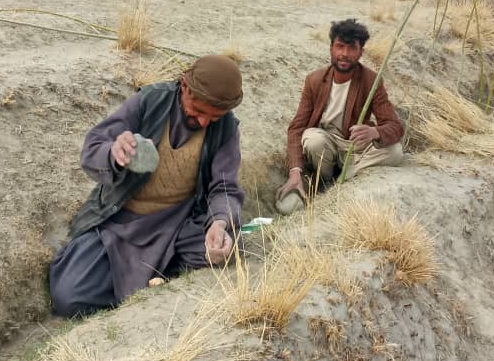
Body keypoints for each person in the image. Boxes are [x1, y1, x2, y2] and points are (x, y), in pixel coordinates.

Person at [49, 55, 245, 317]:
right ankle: (148, 277)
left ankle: (148, 278)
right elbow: (94, 147)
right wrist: (114, 153)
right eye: (199, 111)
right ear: (185, 87)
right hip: (120, 223)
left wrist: (219, 223)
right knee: (67, 296)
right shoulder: (150, 101)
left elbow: (225, 188)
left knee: (227, 250)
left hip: (178, 224)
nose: (204, 122)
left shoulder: (226, 128)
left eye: (214, 117)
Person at [276, 19, 404, 212]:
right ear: (331, 48)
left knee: (395, 151)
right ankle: (325, 181)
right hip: (325, 145)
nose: (344, 54)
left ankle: (344, 178)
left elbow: (395, 126)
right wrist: (295, 172)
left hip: (354, 146)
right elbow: (296, 128)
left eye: (352, 48)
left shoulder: (371, 81)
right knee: (312, 139)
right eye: (339, 47)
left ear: (361, 52)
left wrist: (374, 132)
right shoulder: (315, 80)